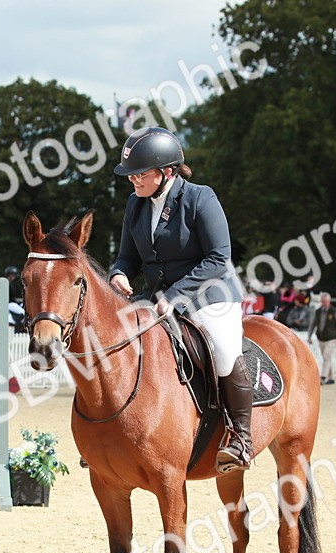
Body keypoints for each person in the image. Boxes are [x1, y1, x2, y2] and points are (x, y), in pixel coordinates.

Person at [108, 127, 252, 473]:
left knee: (222, 351)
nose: (133, 181)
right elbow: (127, 256)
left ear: (167, 172)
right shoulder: (136, 204)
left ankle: (241, 437)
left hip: (209, 294)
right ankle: (111, 434)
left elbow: (219, 257)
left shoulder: (201, 198)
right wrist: (118, 273)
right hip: (155, 296)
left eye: (140, 174)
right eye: (131, 175)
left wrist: (175, 295)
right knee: (114, 343)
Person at [307, 292, 336, 385]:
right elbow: (312, 324)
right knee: (327, 358)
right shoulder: (317, 312)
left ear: (329, 301)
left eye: (326, 301)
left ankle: (323, 377)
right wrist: (309, 336)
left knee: (326, 355)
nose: (325, 303)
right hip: (321, 338)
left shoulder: (334, 311)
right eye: (323, 301)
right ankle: (331, 378)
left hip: (332, 338)